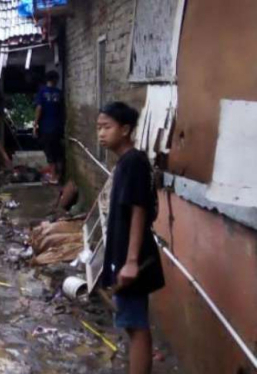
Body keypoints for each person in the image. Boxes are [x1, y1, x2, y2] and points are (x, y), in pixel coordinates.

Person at [97, 102, 165, 374]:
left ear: (125, 129)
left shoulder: (134, 162)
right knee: (131, 322)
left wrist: (131, 261)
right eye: (98, 127)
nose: (100, 133)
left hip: (132, 258)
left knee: (136, 326)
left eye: (107, 127)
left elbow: (139, 209)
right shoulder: (127, 162)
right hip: (125, 255)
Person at [34, 70, 65, 184]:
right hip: (58, 128)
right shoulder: (59, 93)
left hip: (46, 128)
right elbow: (62, 111)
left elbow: (39, 108)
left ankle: (53, 177)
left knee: (49, 153)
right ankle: (59, 176)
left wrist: (35, 124)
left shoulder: (42, 92)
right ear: (55, 79)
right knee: (58, 152)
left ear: (47, 79)